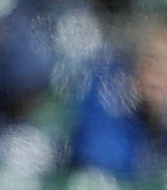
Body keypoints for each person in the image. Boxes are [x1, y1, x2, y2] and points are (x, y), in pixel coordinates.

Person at [71, 22, 167, 179]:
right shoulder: (106, 106)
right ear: (134, 65)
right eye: (152, 60)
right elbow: (105, 164)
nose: (159, 74)